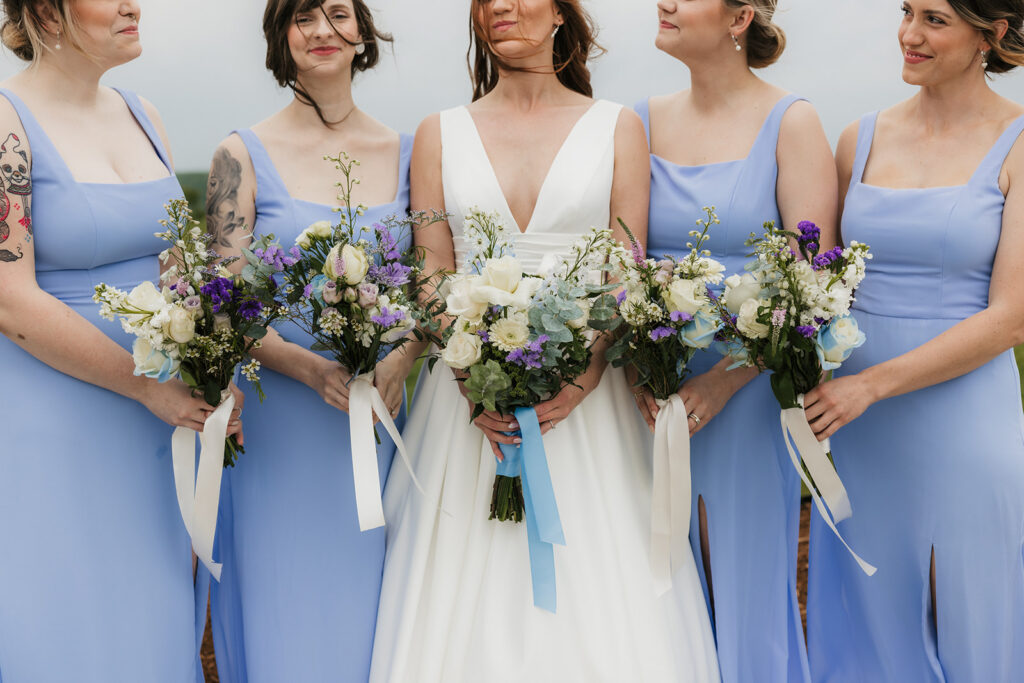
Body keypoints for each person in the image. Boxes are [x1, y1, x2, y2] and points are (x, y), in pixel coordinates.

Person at [370, 1, 720, 681]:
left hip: (588, 404)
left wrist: (582, 377)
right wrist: (475, 373)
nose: (501, 6)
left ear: (562, 13)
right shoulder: (438, 132)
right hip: (470, 405)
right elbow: (433, 270)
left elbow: (625, 268)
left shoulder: (618, 127)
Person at [0, 1, 236, 680]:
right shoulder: (7, 120)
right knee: (58, 621)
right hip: (50, 426)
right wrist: (147, 387)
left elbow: (177, 269)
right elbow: (10, 297)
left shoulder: (144, 114)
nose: (136, 5)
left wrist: (212, 374)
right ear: (48, 10)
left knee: (149, 625)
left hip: (153, 432)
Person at [805, 1, 1024, 680]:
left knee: (970, 609)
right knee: (870, 618)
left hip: (962, 421)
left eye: (934, 19)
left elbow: (1012, 315)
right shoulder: (857, 138)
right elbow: (820, 286)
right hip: (860, 429)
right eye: (905, 13)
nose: (908, 35)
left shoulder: (1020, 142)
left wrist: (870, 384)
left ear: (990, 32)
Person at [203, 1, 411, 681]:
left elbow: (432, 283)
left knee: (380, 609)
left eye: (339, 13)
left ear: (363, 34)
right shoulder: (240, 153)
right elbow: (223, 300)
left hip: (384, 417)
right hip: (281, 422)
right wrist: (307, 368)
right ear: (281, 37)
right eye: (302, 16)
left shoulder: (406, 151)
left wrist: (401, 360)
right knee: (284, 607)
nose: (322, 30)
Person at [633, 2, 837, 681]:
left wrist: (722, 380)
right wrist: (637, 368)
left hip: (744, 396)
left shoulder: (793, 121)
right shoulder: (637, 121)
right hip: (642, 397)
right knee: (650, 590)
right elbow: (616, 257)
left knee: (744, 582)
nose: (663, 4)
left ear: (738, 15)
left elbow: (811, 283)